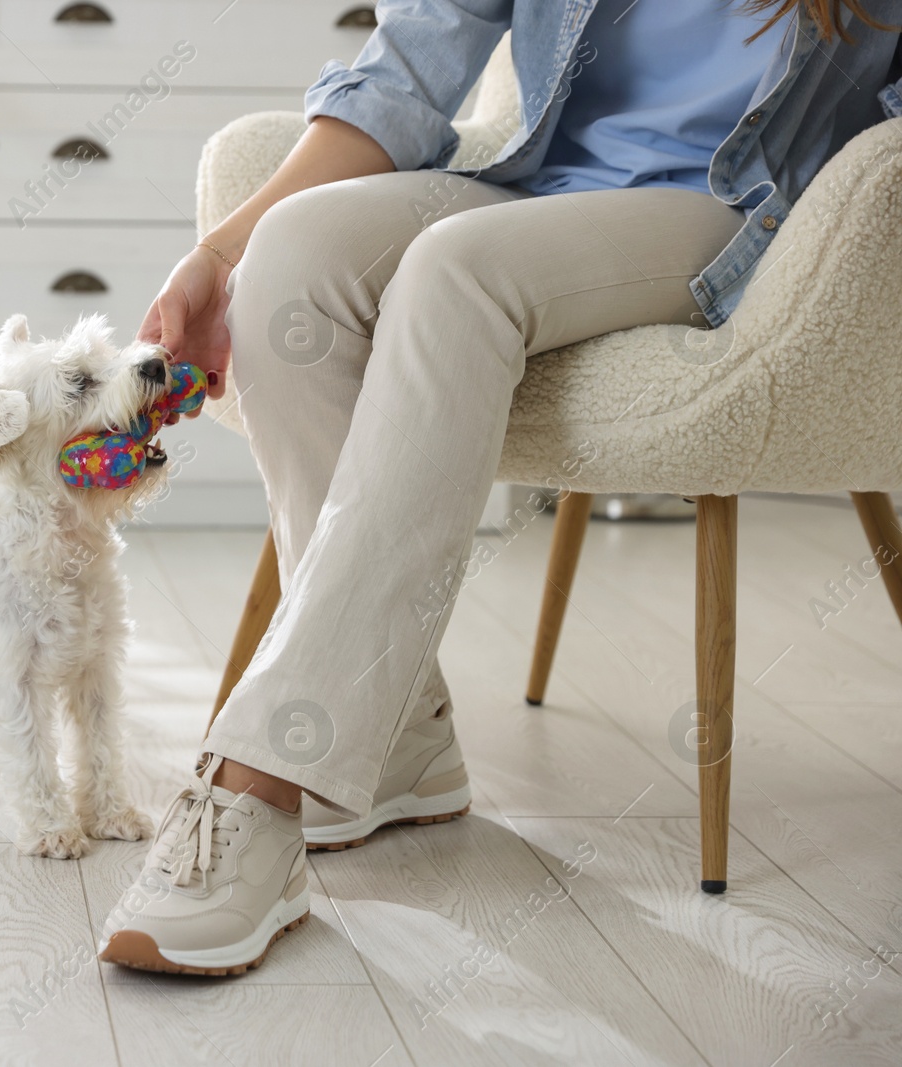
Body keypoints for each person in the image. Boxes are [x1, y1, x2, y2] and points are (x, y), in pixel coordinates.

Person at [97, 0, 902, 975]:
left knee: (452, 272)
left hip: (733, 213)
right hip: (536, 189)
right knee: (293, 260)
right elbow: (400, 74)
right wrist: (217, 255)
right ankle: (394, 733)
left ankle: (260, 779)